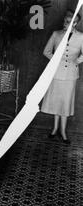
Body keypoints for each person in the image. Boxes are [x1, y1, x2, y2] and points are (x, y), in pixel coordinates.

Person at [41, 10, 83, 144]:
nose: (67, 23)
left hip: (70, 75)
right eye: (66, 20)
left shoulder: (81, 37)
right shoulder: (56, 34)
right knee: (56, 101)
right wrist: (55, 60)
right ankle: (54, 129)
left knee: (65, 102)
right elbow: (46, 51)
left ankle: (63, 132)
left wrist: (77, 61)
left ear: (76, 23)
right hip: (56, 74)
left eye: (71, 21)